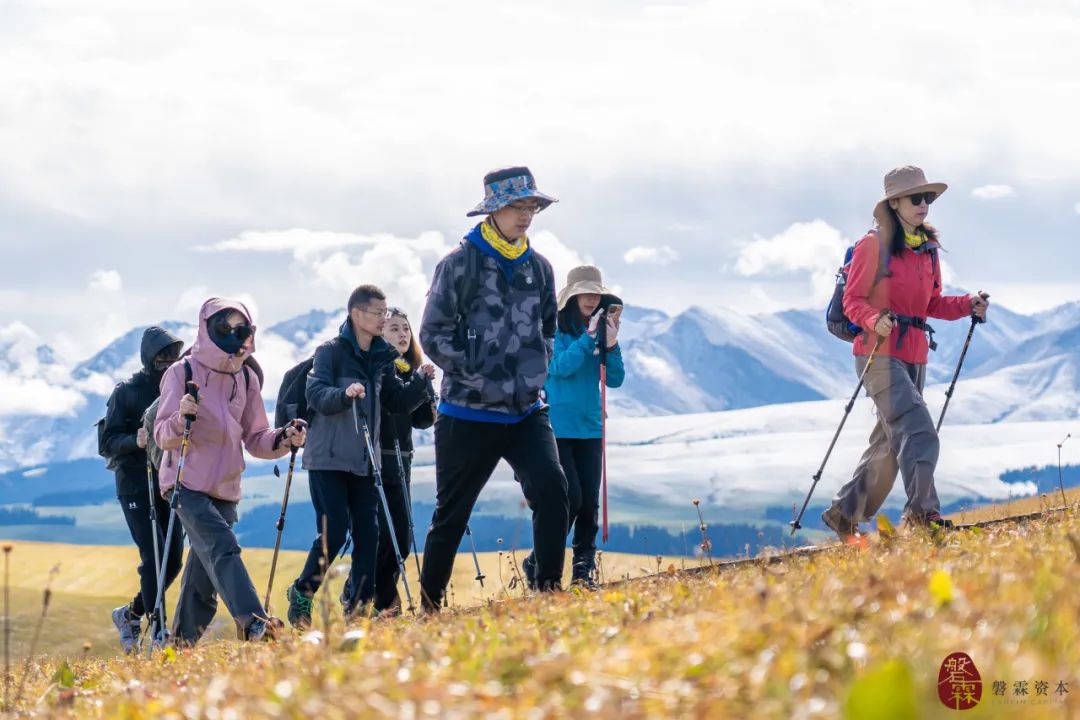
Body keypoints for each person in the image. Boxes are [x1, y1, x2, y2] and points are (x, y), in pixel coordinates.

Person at [419, 166, 569, 610]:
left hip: (525, 411)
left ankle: (547, 593)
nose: (527, 215)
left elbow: (548, 327)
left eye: (531, 207)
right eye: (517, 206)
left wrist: (533, 373)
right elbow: (432, 334)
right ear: (493, 210)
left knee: (553, 490)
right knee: (452, 515)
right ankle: (429, 608)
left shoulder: (540, 268)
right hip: (467, 413)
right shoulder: (459, 263)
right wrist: (476, 375)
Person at [822, 166, 990, 539]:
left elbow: (931, 304)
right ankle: (922, 516)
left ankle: (845, 515)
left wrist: (968, 304)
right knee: (918, 430)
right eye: (917, 198)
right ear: (893, 202)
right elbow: (852, 300)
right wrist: (872, 319)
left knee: (888, 446)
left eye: (928, 198)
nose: (924, 205)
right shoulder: (873, 245)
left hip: (915, 355)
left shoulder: (927, 250)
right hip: (877, 354)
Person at [155, 298, 306, 643]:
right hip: (184, 484)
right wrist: (182, 417)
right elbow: (162, 435)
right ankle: (256, 624)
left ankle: (177, 649)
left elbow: (255, 438)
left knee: (202, 581)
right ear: (207, 327)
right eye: (224, 327)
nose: (233, 335)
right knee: (223, 546)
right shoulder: (182, 373)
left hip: (225, 487)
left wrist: (285, 437)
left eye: (241, 329)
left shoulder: (248, 378)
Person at [285, 286, 431, 628]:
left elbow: (397, 402)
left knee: (371, 536)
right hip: (329, 459)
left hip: (367, 463)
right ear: (357, 315)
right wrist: (344, 394)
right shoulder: (330, 353)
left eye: (385, 313)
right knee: (333, 532)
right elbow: (316, 393)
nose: (384, 318)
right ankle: (302, 593)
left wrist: (422, 384)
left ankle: (358, 612)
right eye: (378, 313)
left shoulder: (381, 359)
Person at [522, 266, 625, 589]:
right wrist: (590, 338)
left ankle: (583, 572)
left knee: (589, 504)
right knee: (573, 498)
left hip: (591, 428)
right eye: (586, 293)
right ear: (573, 297)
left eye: (597, 294)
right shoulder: (554, 332)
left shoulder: (597, 332)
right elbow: (561, 368)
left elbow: (617, 378)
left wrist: (612, 345)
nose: (592, 298)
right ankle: (542, 558)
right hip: (557, 428)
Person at [103, 326, 185, 653]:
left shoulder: (177, 388)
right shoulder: (126, 393)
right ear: (148, 358)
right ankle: (160, 630)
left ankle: (131, 614)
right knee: (153, 556)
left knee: (173, 560)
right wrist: (134, 441)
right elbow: (107, 442)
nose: (167, 362)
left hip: (168, 483)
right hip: (136, 484)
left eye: (172, 356)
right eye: (161, 356)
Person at [372, 307, 437, 614]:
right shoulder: (379, 369)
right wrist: (418, 386)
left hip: (403, 459)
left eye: (405, 330)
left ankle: (379, 598)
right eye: (394, 329)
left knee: (403, 536)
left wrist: (425, 387)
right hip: (378, 458)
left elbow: (423, 421)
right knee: (387, 534)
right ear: (381, 334)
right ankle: (380, 600)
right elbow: (395, 404)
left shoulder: (411, 370)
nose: (402, 334)